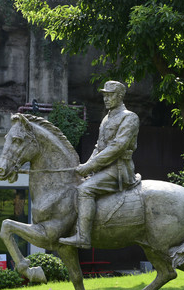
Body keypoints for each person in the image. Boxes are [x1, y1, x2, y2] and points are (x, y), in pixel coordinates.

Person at [59, 81, 140, 249]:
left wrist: (90, 167)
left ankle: (83, 237)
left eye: (110, 95)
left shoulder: (129, 117)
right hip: (103, 169)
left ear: (120, 96)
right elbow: (99, 147)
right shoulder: (106, 118)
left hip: (119, 169)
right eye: (104, 95)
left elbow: (117, 147)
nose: (106, 98)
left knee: (84, 189)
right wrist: (86, 165)